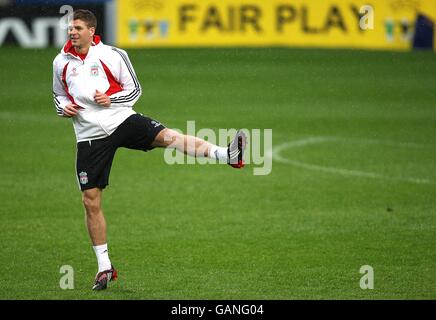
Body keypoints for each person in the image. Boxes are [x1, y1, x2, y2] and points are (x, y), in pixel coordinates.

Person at [52, 9, 246, 291]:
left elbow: (134, 91)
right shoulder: (60, 62)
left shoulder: (113, 55)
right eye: (71, 28)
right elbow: (58, 94)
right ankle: (105, 267)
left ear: (92, 31)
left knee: (170, 138)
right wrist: (63, 108)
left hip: (121, 120)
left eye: (78, 28)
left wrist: (111, 98)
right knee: (90, 200)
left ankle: (227, 155)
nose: (72, 32)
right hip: (89, 135)